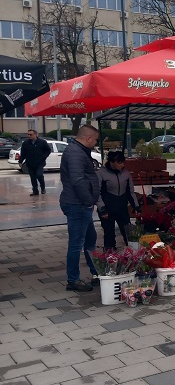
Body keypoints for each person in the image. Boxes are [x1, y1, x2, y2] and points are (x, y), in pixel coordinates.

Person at [59, 124, 101, 292]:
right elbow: (77, 180)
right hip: (77, 204)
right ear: (88, 138)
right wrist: (89, 201)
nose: (96, 143)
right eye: (95, 140)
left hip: (80, 204)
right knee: (76, 244)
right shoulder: (75, 153)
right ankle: (73, 280)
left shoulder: (78, 150)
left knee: (90, 239)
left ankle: (97, 272)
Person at [96, 151, 140, 250]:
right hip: (107, 208)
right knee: (109, 234)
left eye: (123, 162)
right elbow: (96, 193)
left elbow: (131, 192)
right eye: (119, 163)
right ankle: (109, 257)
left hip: (122, 207)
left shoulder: (126, 174)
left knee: (128, 233)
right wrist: (102, 209)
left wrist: (136, 206)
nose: (123, 165)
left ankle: (135, 254)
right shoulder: (101, 173)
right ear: (111, 163)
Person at [18, 129, 51, 196]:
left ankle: (43, 188)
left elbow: (48, 150)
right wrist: (20, 161)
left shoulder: (42, 142)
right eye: (28, 134)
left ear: (36, 134)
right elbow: (23, 153)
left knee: (39, 175)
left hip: (40, 163)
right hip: (30, 163)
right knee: (33, 178)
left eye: (31, 134)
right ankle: (35, 191)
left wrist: (43, 157)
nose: (29, 136)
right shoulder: (26, 143)